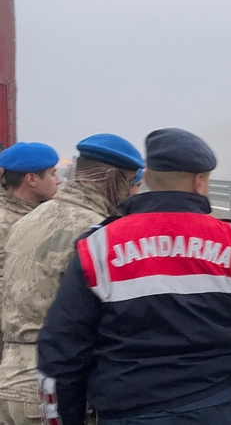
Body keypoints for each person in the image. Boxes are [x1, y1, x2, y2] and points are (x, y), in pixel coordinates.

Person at [36, 128, 231, 425]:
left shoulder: (97, 247)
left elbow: (61, 349)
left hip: (126, 413)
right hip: (214, 412)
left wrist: (62, 419)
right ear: (199, 182)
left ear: (146, 178)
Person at [0, 133, 143, 424]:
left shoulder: (31, 218)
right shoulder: (94, 233)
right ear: (112, 180)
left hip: (12, 384)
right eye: (130, 183)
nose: (133, 194)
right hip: (52, 391)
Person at [0, 143, 61, 324]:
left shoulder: (51, 215)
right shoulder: (4, 222)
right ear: (32, 179)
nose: (58, 180)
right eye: (52, 173)